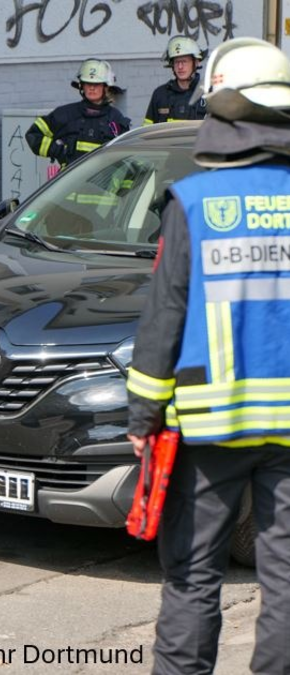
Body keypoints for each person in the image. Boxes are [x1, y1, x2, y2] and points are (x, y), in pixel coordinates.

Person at [125, 37, 290, 675]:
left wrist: (142, 418)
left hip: (209, 430)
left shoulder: (194, 205)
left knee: (193, 578)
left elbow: (163, 320)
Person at [26, 59, 130, 170]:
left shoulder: (116, 119)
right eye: (88, 83)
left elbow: (127, 157)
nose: (91, 88)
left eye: (97, 84)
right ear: (81, 86)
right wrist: (58, 151)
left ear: (106, 87)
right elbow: (34, 135)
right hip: (70, 183)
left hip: (104, 185)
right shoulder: (65, 114)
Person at [144, 36, 207, 125]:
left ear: (196, 63)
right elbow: (147, 131)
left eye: (184, 61)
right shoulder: (160, 94)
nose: (180, 67)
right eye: (177, 62)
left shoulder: (209, 94)